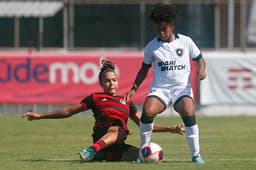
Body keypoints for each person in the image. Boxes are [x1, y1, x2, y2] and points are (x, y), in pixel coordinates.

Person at [23, 59, 186, 162]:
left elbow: (144, 125)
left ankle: (99, 155)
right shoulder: (95, 97)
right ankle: (92, 150)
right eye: (107, 81)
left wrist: (169, 129)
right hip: (103, 134)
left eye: (114, 80)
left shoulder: (126, 101)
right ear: (101, 84)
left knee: (146, 156)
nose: (111, 84)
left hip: (118, 144)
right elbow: (69, 111)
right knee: (119, 128)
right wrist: (40, 116)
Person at [125, 3, 207, 164]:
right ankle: (143, 153)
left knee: (189, 111)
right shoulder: (151, 47)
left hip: (181, 89)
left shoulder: (186, 42)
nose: (162, 33)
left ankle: (196, 155)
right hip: (160, 89)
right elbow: (144, 69)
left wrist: (201, 70)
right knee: (147, 112)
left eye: (165, 29)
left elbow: (200, 59)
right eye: (158, 30)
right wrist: (134, 88)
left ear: (172, 26)